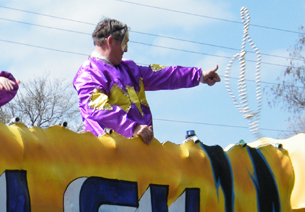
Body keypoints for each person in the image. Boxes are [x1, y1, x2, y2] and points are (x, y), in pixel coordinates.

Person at [72, 18, 221, 144]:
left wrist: (199, 75)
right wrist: (133, 128)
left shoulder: (129, 69)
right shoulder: (89, 72)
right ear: (110, 41)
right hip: (108, 156)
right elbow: (97, 108)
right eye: (124, 44)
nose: (126, 50)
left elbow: (163, 75)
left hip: (139, 152)